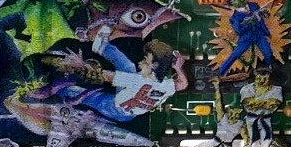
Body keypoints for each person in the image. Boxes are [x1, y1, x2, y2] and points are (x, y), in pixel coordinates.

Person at [45, 26, 188, 123]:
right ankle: (101, 45)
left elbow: (103, 75)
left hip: (114, 108)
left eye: (146, 60)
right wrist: (178, 68)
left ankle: (48, 87)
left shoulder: (135, 80)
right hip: (130, 113)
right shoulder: (167, 85)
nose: (141, 62)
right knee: (128, 66)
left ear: (154, 66)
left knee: (79, 93)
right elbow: (183, 84)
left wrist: (81, 64)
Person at [165, 77, 247, 147]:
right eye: (232, 111)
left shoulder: (241, 124)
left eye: (236, 112)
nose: (234, 114)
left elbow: (246, 137)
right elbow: (218, 102)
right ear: (228, 111)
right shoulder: (222, 117)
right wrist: (216, 87)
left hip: (227, 146)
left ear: (240, 112)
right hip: (214, 141)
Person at [238, 68, 283, 147]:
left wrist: (256, 102)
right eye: (259, 77)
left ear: (269, 76)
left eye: (265, 77)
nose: (262, 80)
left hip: (265, 120)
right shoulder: (246, 89)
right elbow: (248, 104)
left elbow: (273, 104)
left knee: (266, 143)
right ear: (255, 76)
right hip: (251, 120)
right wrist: (265, 102)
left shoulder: (277, 89)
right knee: (249, 143)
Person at [217, 0, 274, 76]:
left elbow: (262, 20)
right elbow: (239, 31)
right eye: (240, 8)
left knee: (268, 53)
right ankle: (220, 72)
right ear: (235, 7)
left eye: (245, 6)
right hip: (246, 38)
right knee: (235, 54)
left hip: (258, 35)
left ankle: (269, 68)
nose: (244, 9)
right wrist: (249, 22)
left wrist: (266, 30)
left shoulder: (254, 6)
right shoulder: (234, 18)